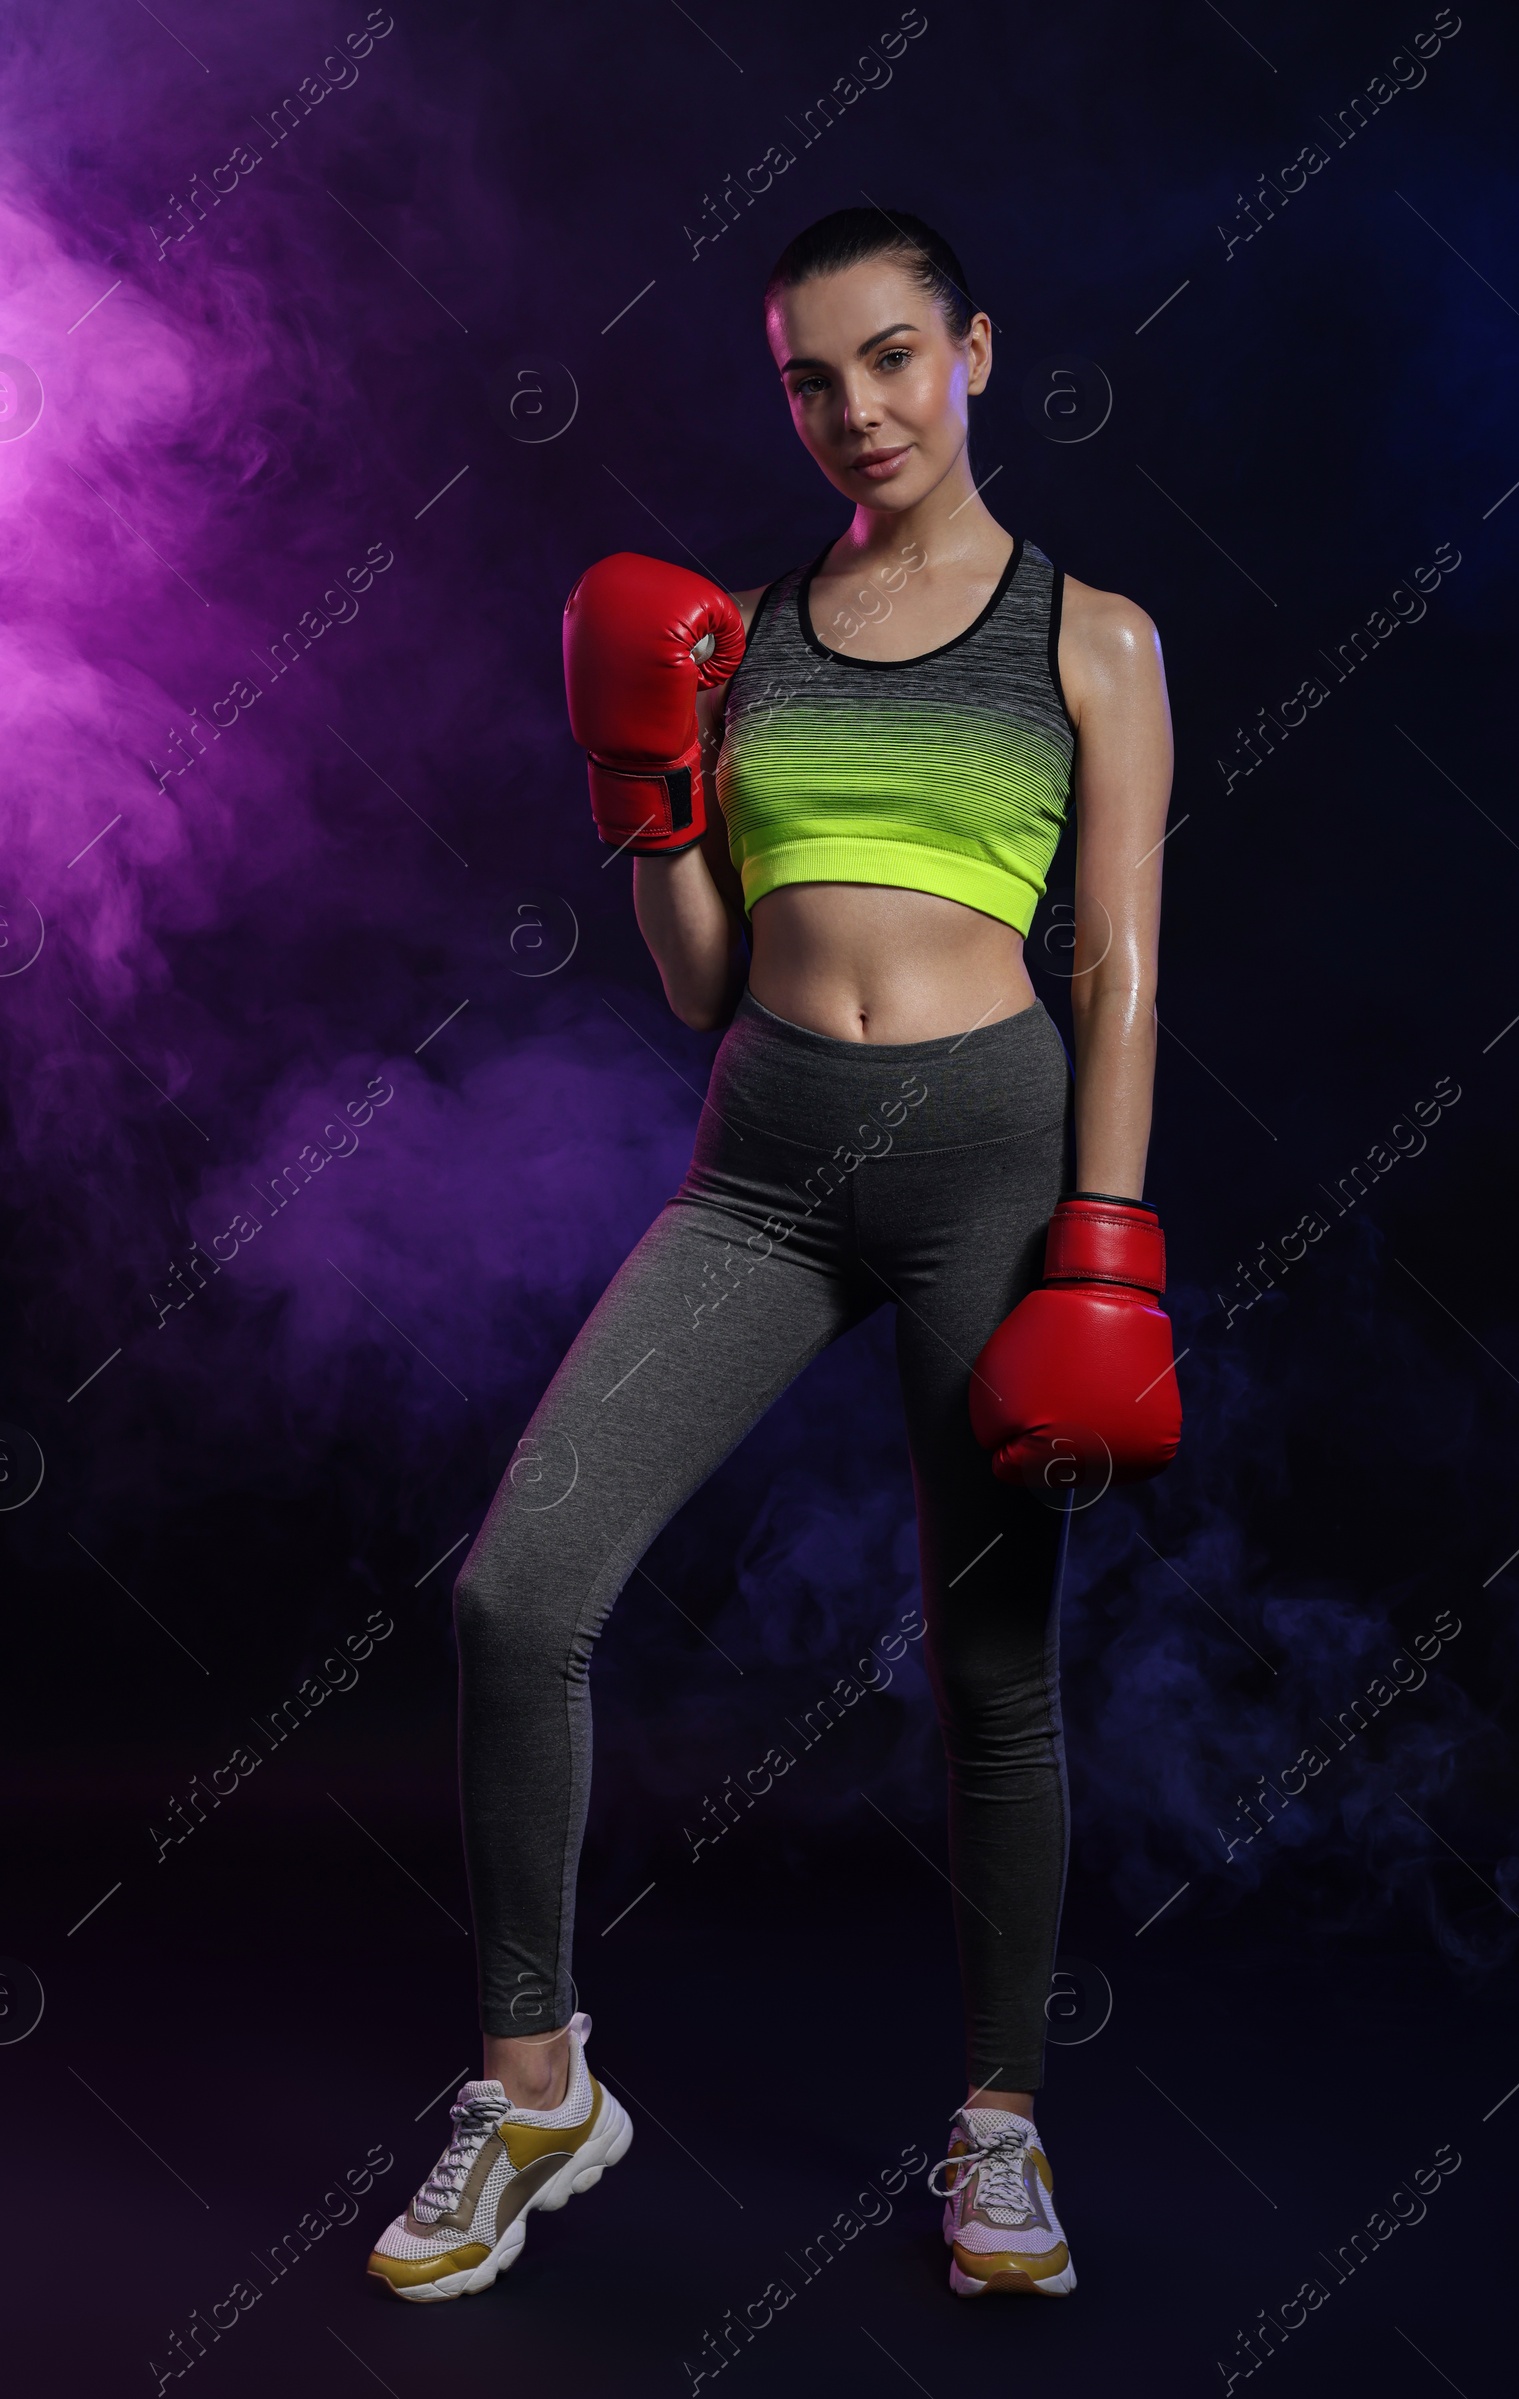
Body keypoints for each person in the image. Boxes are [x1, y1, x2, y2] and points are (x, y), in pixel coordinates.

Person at [368, 206, 1178, 2306]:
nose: (856, 412)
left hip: (991, 1170)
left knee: (991, 1668)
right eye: (812, 379)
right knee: (514, 1593)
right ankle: (536, 2089)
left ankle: (997, 2127)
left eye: (891, 359)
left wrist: (1104, 1249)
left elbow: (1115, 968)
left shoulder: (1088, 636)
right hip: (762, 1166)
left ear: (974, 352)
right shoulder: (736, 630)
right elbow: (704, 984)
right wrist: (646, 791)